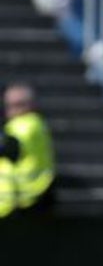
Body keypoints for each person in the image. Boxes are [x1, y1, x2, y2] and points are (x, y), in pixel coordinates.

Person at [0, 83, 55, 217]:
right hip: (23, 197)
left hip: (30, 198)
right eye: (9, 105)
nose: (12, 110)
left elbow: (10, 147)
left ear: (31, 105)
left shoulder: (27, 125)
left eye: (18, 104)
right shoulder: (36, 125)